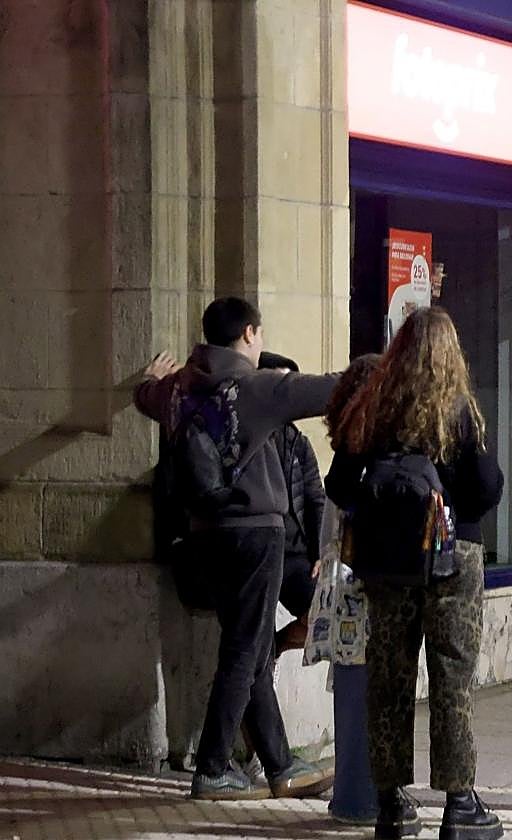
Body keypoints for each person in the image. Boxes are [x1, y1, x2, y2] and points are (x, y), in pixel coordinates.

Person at [134, 297, 339, 800]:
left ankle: (279, 764)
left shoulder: (178, 389)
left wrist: (146, 380)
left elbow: (145, 398)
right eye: (260, 335)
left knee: (243, 647)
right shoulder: (256, 385)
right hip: (254, 533)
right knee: (245, 652)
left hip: (207, 534)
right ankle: (213, 766)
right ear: (248, 334)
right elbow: (334, 388)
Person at [325, 308, 504, 840]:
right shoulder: (459, 412)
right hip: (454, 558)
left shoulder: (373, 408)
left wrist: (382, 509)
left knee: (389, 677)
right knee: (452, 679)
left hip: (387, 565)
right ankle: (460, 804)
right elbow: (484, 491)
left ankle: (391, 805)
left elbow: (338, 485)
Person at [302, 353, 381, 825]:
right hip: (368, 586)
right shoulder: (373, 455)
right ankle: (361, 798)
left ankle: (354, 795)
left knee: (352, 694)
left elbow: (327, 528)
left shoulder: (345, 454)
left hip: (342, 586)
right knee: (369, 695)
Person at [257, 351, 325, 655]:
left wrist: (320, 552)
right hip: (258, 551)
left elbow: (315, 499)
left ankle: (276, 647)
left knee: (326, 612)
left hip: (295, 554)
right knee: (252, 633)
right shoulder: (250, 434)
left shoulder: (298, 443)